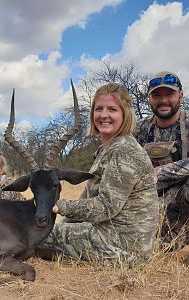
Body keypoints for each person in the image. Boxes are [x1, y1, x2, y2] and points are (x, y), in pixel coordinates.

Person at [38, 83, 159, 264]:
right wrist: (62, 225)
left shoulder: (123, 151)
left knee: (31, 233)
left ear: (125, 114)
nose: (104, 115)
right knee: (44, 231)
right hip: (110, 234)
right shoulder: (108, 148)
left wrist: (56, 205)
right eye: (98, 109)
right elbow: (87, 198)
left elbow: (105, 207)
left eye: (112, 109)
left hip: (124, 248)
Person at [134, 71, 189, 249]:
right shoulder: (140, 129)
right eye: (157, 95)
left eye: (169, 94)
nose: (163, 100)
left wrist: (158, 173)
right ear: (149, 99)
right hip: (151, 201)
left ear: (181, 95)